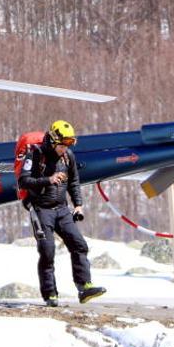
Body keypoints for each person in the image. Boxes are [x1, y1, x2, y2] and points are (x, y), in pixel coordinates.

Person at [18, 120, 106, 307]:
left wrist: (78, 205)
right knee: (47, 251)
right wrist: (48, 180)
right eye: (62, 145)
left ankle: (84, 287)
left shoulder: (68, 157)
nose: (64, 149)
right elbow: (23, 181)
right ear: (52, 140)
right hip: (41, 209)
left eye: (68, 145)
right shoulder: (35, 155)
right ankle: (50, 294)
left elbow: (74, 182)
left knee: (79, 244)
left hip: (62, 209)